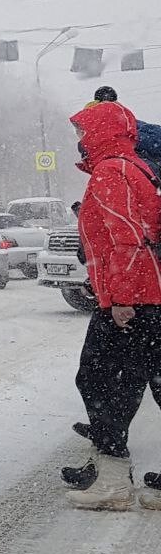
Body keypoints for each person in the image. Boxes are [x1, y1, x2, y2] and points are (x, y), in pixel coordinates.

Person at [63, 100, 161, 509]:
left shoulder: (111, 172)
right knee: (139, 382)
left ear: (102, 131)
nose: (81, 141)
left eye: (84, 132)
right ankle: (113, 477)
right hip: (147, 295)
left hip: (132, 299)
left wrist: (120, 299)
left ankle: (114, 482)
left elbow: (127, 238)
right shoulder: (134, 166)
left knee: (100, 382)